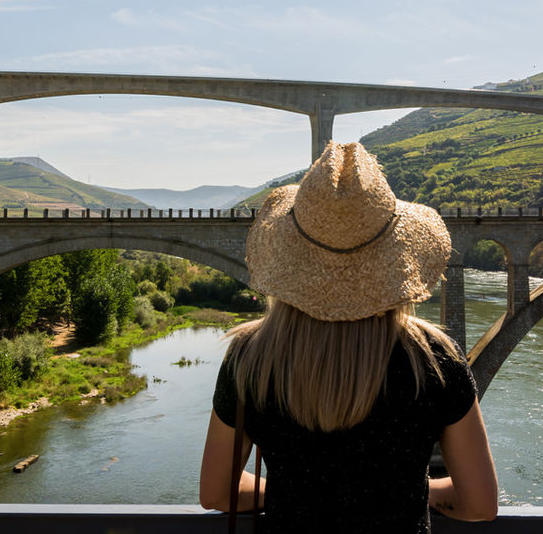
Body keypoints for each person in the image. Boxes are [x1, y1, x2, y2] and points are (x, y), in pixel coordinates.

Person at [199, 142, 498, 531]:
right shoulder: (433, 358)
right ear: (396, 257)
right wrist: (407, 491)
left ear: (289, 260)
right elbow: (479, 504)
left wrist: (298, 494)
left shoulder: (249, 358)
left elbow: (216, 493)